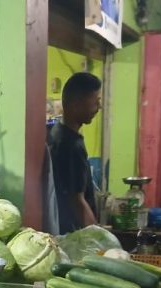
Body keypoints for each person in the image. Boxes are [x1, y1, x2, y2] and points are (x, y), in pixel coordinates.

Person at [47, 72, 102, 234]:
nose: (98, 108)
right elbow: (76, 201)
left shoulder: (58, 133)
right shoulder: (69, 144)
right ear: (76, 104)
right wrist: (98, 237)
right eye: (95, 102)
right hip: (72, 233)